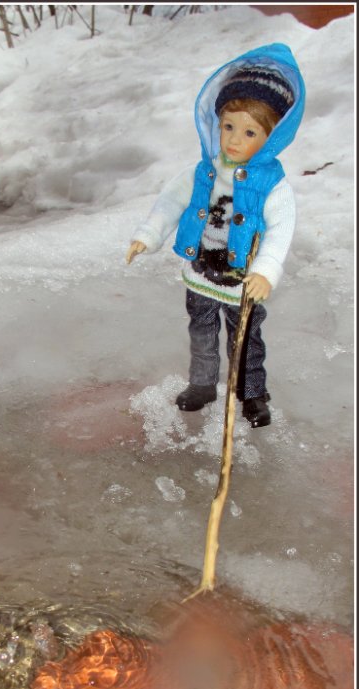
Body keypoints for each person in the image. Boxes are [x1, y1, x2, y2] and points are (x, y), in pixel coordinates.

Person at [126, 43, 305, 427]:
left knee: (246, 342)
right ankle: (203, 384)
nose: (234, 140)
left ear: (272, 137)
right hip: (201, 275)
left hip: (243, 282)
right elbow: (170, 202)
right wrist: (149, 234)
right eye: (228, 126)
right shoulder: (204, 171)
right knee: (202, 333)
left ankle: (251, 393)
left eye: (250, 131)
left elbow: (281, 229)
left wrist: (266, 270)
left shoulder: (272, 186)